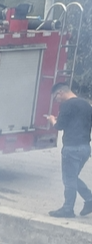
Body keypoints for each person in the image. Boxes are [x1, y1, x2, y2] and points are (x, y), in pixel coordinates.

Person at [47, 84, 92, 218]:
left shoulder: (66, 105)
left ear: (60, 92)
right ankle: (89, 200)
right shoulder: (87, 105)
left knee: (69, 180)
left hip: (72, 148)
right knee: (72, 177)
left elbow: (59, 126)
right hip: (85, 148)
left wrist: (52, 120)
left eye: (56, 98)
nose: (57, 101)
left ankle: (68, 209)